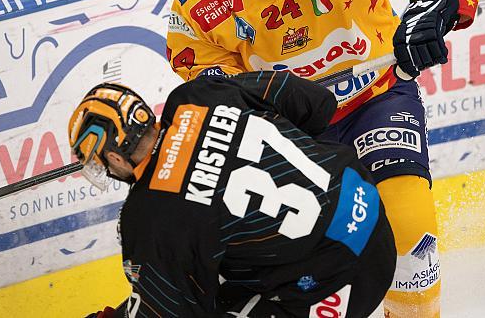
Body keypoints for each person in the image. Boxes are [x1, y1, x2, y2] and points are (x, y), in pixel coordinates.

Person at [166, 0, 485, 317]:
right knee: (311, 263)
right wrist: (245, 97)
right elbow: (197, 68)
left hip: (377, 99)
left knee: (411, 228)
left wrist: (437, 0)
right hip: (295, 131)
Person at [70, 71, 396, 317]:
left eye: (103, 165)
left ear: (114, 157)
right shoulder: (196, 94)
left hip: (343, 284)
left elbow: (165, 311)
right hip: (372, 214)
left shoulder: (150, 216)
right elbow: (316, 102)